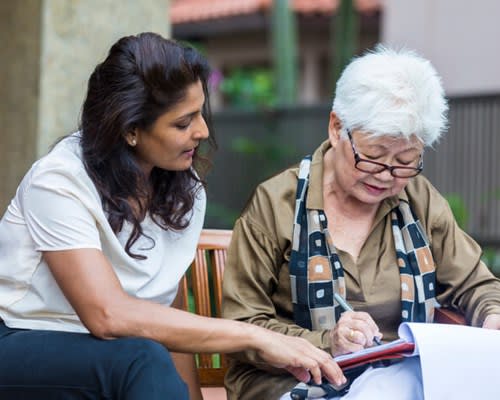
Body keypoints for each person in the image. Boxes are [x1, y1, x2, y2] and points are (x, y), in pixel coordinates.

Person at [0, 32, 346, 400]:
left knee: (141, 356)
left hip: (115, 356)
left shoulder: (181, 187)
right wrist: (258, 336)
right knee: (140, 359)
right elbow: (107, 315)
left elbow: (167, 308)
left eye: (201, 113)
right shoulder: (59, 181)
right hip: (20, 337)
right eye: (183, 123)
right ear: (130, 129)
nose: (203, 131)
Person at [221, 45, 500, 400]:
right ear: (337, 128)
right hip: (292, 385)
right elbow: (241, 325)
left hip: (397, 379)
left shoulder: (418, 200)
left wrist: (492, 315)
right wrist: (325, 343)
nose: (386, 175)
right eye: (373, 157)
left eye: (405, 161)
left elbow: (476, 284)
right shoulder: (277, 204)